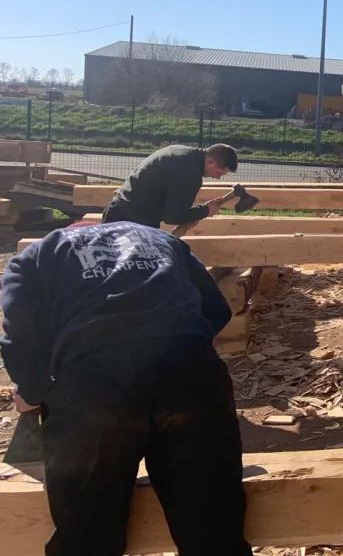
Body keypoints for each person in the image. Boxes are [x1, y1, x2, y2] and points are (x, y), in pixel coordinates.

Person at [0, 221, 252, 555]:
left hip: (93, 391)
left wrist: (31, 391)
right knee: (214, 534)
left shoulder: (35, 256)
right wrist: (180, 354)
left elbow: (20, 332)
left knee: (86, 537)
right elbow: (217, 308)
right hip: (192, 377)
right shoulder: (162, 241)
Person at [102, 143, 238, 229]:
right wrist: (205, 211)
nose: (218, 177)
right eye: (219, 173)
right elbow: (172, 216)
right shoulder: (190, 174)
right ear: (210, 161)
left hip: (117, 211)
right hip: (133, 224)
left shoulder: (180, 151)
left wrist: (196, 213)